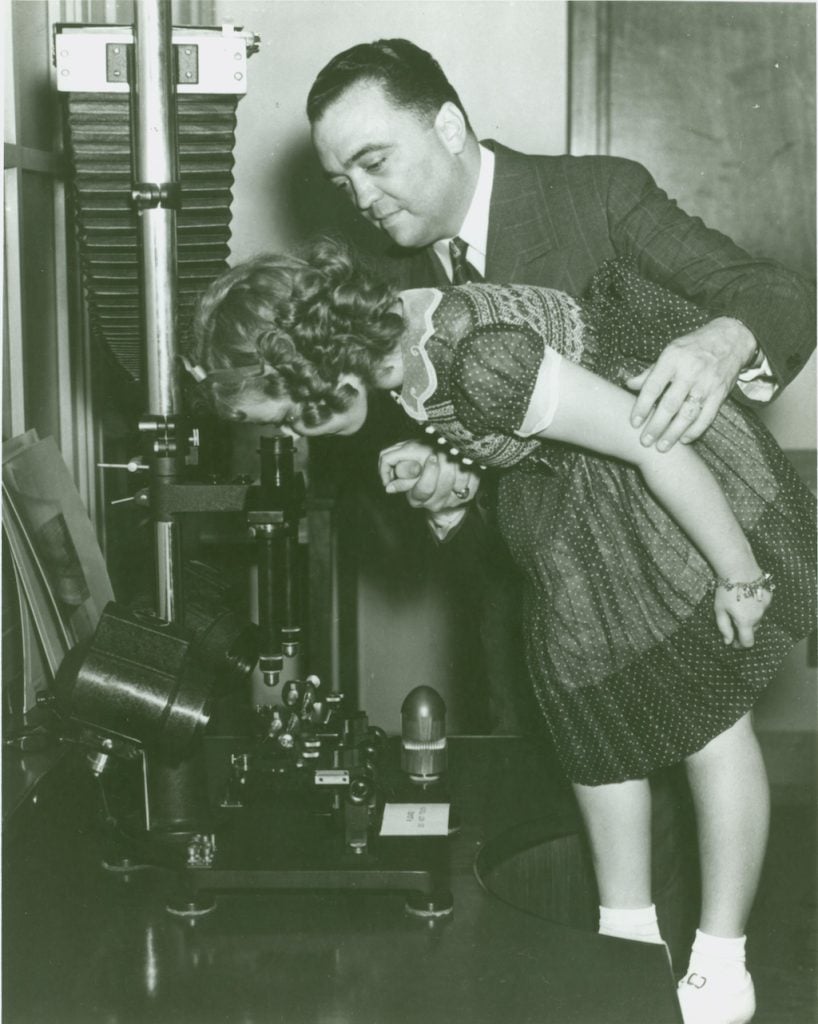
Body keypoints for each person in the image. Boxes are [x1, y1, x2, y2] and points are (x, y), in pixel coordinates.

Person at [184, 239, 816, 1024]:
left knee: (712, 730)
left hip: (659, 504)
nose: (298, 438)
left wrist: (739, 575)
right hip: (576, 525)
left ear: (316, 378)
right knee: (595, 727)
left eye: (283, 419)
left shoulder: (473, 357)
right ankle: (626, 942)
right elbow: (514, 435)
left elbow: (656, 442)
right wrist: (451, 476)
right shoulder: (402, 349)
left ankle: (723, 966)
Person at [303, 38, 816, 734]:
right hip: (519, 636)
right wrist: (443, 477)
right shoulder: (377, 278)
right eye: (342, 182)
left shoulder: (597, 196)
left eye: (373, 163)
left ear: (448, 128)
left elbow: (777, 293)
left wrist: (723, 341)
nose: (361, 198)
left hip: (667, 610)